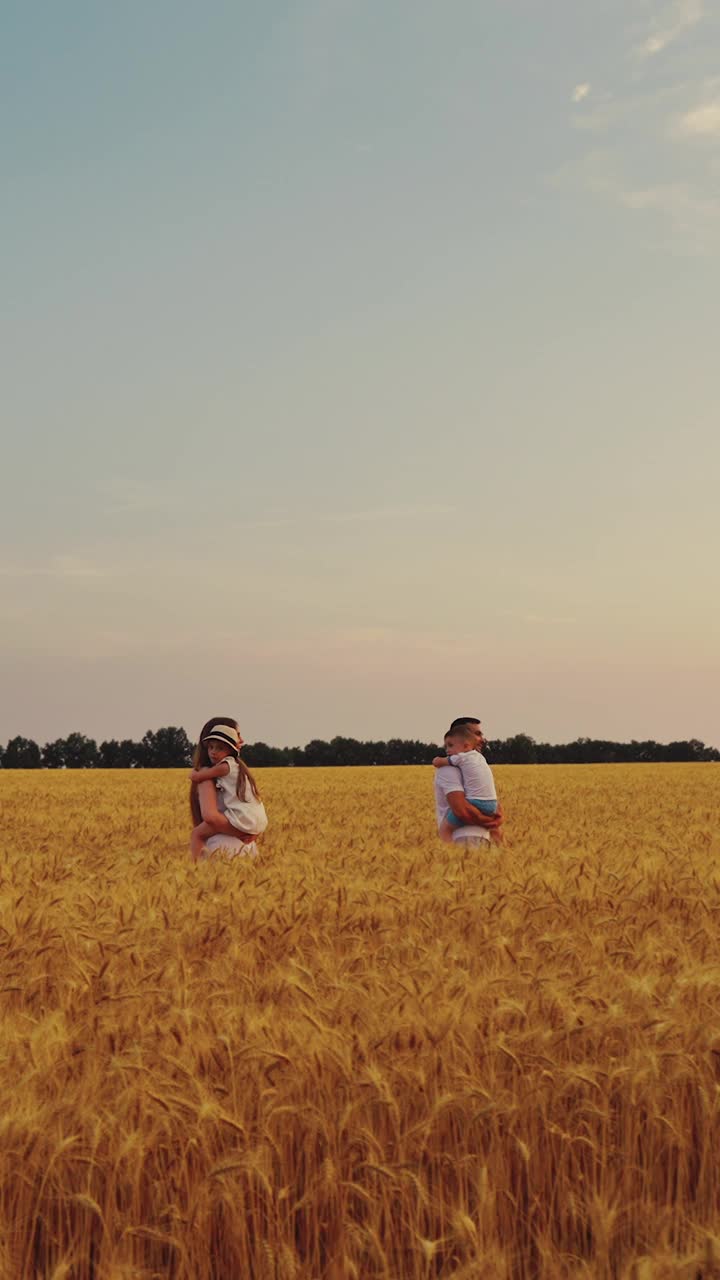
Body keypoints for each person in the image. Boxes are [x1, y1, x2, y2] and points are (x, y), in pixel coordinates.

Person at [188, 718, 267, 861]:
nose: (241, 740)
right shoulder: (210, 773)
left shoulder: (232, 769)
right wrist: (242, 832)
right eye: (238, 735)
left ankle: (192, 865)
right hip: (225, 848)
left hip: (237, 847)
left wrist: (247, 832)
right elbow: (211, 817)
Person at [433, 714, 503, 847]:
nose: (482, 739)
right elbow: (461, 811)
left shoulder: (476, 763)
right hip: (463, 840)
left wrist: (497, 818)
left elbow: (491, 802)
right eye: (477, 734)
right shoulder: (448, 770)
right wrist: (489, 820)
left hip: (481, 840)